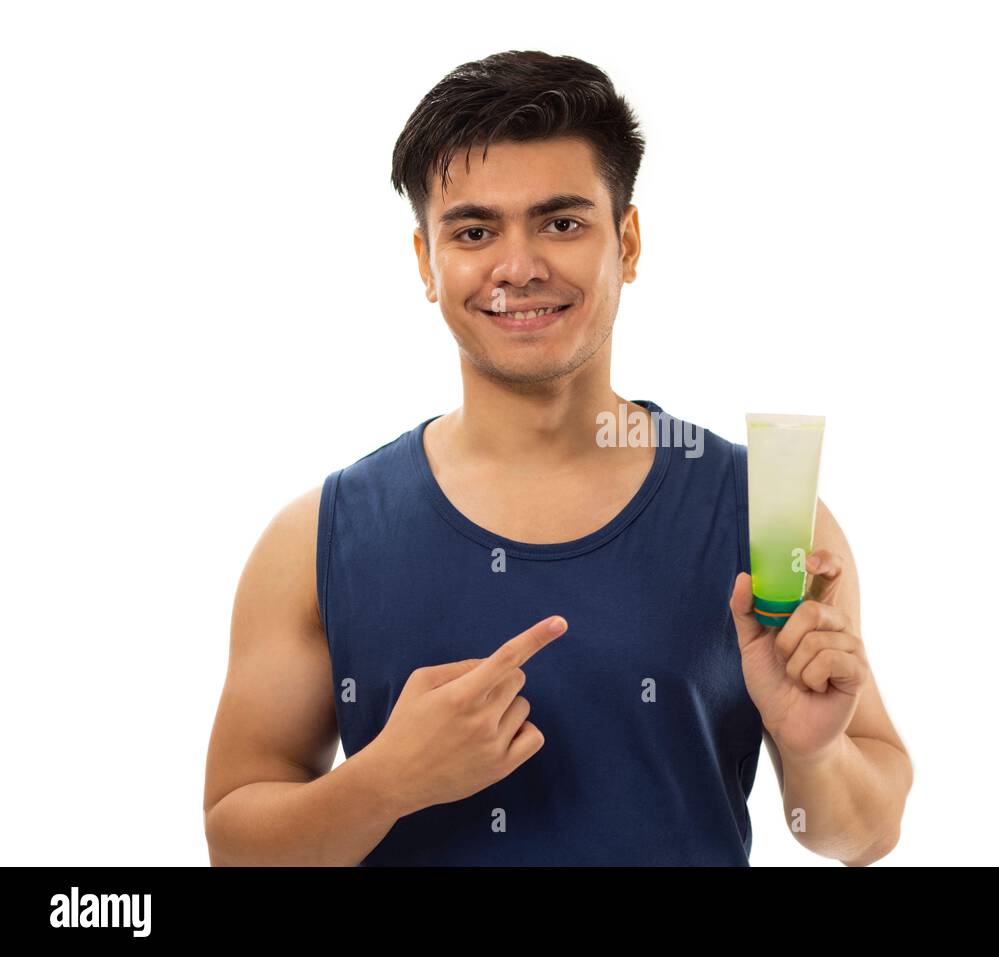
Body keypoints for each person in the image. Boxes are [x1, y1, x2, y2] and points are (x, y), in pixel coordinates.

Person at [203, 50, 911, 866]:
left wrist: (815, 754)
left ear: (629, 241)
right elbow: (235, 847)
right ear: (427, 264)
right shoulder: (315, 540)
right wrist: (383, 784)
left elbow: (864, 834)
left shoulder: (766, 516)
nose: (518, 266)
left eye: (562, 222)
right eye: (474, 231)